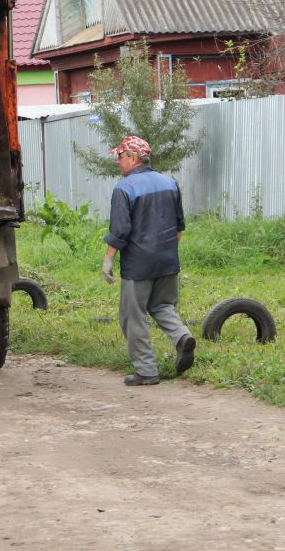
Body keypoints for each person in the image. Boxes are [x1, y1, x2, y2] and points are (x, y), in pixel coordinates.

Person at [101, 135, 194, 385]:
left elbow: (120, 230)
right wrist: (165, 252)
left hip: (138, 265)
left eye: (120, 157)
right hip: (167, 260)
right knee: (163, 306)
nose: (118, 162)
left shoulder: (124, 188)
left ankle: (146, 370)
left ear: (132, 158)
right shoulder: (170, 182)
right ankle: (182, 337)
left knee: (133, 316)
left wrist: (108, 260)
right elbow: (179, 226)